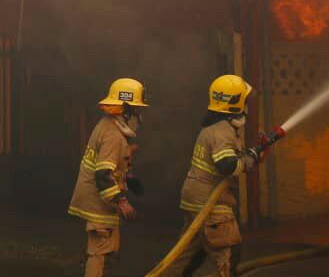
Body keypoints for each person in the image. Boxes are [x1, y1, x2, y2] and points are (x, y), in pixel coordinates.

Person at [160, 75, 259, 277]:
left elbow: (230, 157)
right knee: (228, 254)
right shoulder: (223, 131)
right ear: (235, 103)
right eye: (244, 100)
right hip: (211, 204)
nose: (247, 104)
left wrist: (253, 155)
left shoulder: (216, 128)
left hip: (195, 199)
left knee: (190, 253)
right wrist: (250, 161)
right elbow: (227, 165)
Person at [67, 77, 147, 277]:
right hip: (98, 201)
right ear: (126, 110)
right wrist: (123, 202)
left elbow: (113, 163)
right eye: (136, 110)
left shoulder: (108, 126)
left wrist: (128, 176)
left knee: (110, 250)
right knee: (99, 252)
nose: (139, 116)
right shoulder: (113, 135)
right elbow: (103, 174)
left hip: (99, 199)